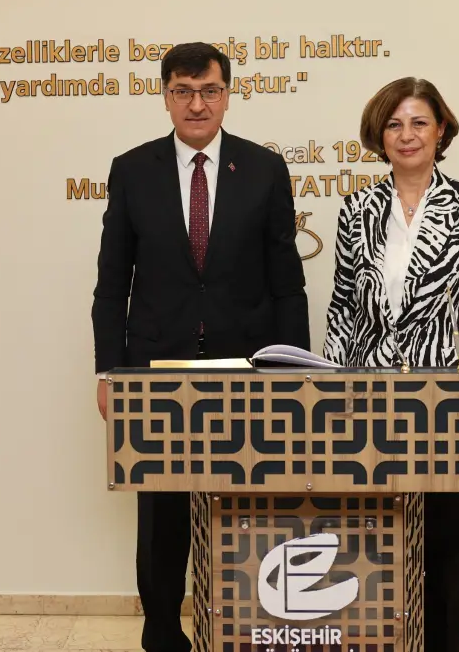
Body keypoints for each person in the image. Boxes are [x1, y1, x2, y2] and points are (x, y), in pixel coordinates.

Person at [91, 41, 310, 652]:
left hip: (250, 367)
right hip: (157, 370)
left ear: (227, 95)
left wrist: (297, 373)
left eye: (209, 90)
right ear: (164, 97)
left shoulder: (263, 169)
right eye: (183, 91)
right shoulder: (132, 170)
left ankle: (240, 631)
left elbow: (287, 283)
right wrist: (110, 373)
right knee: (162, 518)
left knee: (245, 510)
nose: (197, 104)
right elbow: (112, 283)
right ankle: (162, 635)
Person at [323, 76, 459, 652]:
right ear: (379, 135)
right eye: (394, 124)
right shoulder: (357, 209)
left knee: (445, 556)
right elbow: (342, 309)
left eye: (418, 123)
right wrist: (330, 396)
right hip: (368, 406)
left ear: (440, 130)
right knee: (373, 551)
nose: (406, 135)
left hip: (450, 405)